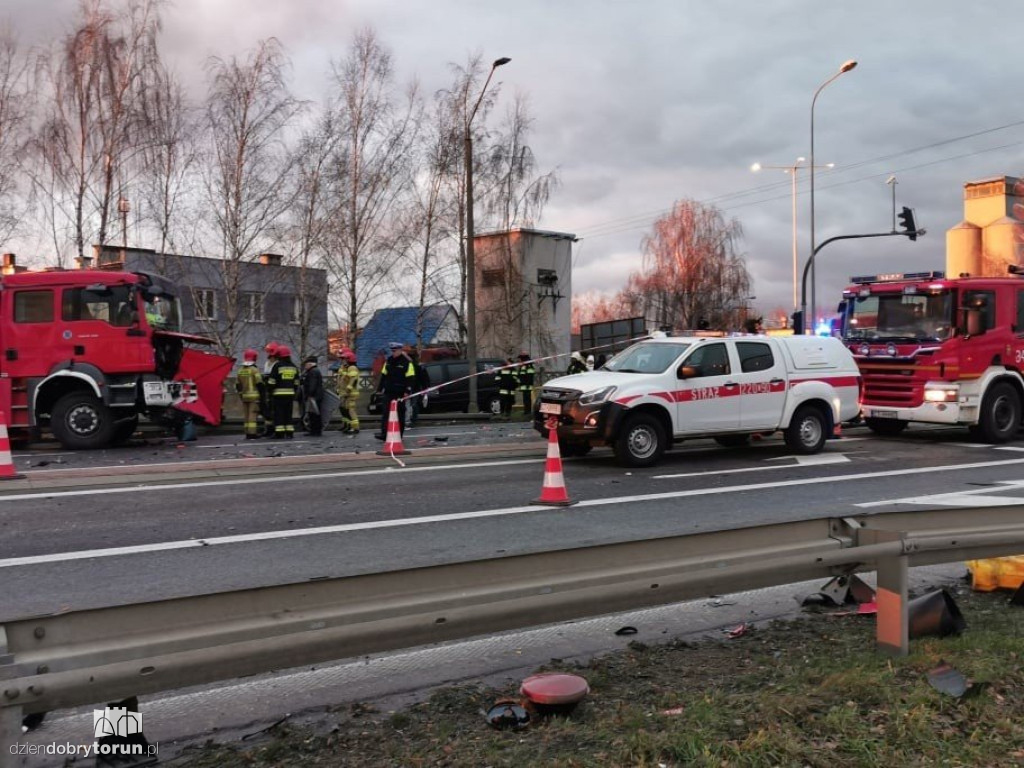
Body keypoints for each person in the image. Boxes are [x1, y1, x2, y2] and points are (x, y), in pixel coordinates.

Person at [376, 341, 415, 439]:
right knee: (386, 413)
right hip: (389, 391)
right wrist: (380, 389)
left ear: (400, 350)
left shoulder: (406, 363)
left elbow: (410, 378)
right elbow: (384, 375)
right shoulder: (389, 360)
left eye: (395, 351)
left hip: (400, 392)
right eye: (392, 351)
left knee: (400, 413)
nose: (393, 353)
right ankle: (384, 434)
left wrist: (407, 391)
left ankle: (399, 434)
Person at [265, 345, 299, 439]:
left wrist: (269, 390)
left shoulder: (277, 366)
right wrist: (293, 391)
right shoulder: (293, 366)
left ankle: (279, 433)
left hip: (278, 394)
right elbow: (296, 382)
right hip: (290, 394)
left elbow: (272, 381)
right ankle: (289, 432)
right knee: (288, 414)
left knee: (279, 414)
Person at [235, 348, 263, 439]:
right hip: (254, 396)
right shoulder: (254, 370)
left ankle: (247, 432)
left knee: (246, 415)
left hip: (244, 396)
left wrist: (241, 394)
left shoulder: (240, 370)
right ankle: (252, 433)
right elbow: (259, 383)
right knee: (252, 415)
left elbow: (237, 384)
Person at [300, 355, 325, 436]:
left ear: (310, 364)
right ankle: (315, 430)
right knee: (314, 414)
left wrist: (310, 394)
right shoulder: (314, 371)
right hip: (316, 396)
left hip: (314, 397)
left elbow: (312, 385)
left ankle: (315, 431)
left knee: (314, 414)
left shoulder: (313, 372)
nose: (305, 366)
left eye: (306, 364)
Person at [337, 351, 360, 434]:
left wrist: (348, 389)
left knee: (351, 410)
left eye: (344, 359)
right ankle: (349, 426)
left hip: (351, 393)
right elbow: (342, 380)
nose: (342, 360)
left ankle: (355, 428)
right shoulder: (346, 367)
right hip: (346, 393)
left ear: (349, 360)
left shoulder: (352, 368)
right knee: (345, 409)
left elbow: (352, 380)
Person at [406, 348, 430, 428]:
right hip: (411, 388)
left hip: (415, 388)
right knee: (411, 405)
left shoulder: (417, 367)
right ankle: (411, 419)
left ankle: (413, 420)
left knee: (413, 404)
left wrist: (425, 388)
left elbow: (424, 378)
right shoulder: (414, 366)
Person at [261, 342, 280, 436]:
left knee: (274, 410)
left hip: (274, 389)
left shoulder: (277, 363)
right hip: (267, 389)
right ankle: (268, 429)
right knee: (267, 410)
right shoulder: (267, 363)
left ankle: (274, 429)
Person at [516, 352, 535, 417]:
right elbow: (521, 375)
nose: (519, 360)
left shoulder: (528, 365)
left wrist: (527, 384)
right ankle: (526, 411)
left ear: (523, 358)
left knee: (527, 399)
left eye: (520, 359)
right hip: (524, 385)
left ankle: (528, 412)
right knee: (525, 399)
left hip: (527, 385)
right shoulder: (524, 366)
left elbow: (529, 375)